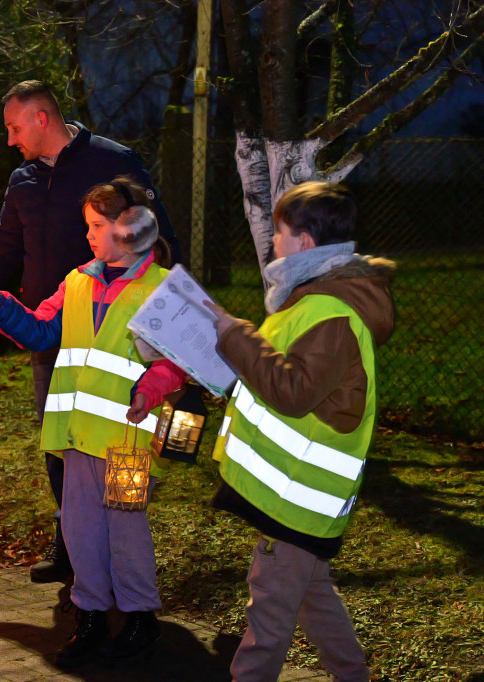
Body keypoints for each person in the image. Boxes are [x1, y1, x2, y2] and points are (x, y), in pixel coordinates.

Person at [0, 80, 180, 584]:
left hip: (119, 347)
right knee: (63, 445)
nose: (10, 140)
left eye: (14, 127)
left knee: (124, 461)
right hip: (56, 334)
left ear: (41, 118)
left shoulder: (113, 162)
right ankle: (75, 546)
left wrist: (177, 326)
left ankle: (128, 572)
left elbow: (162, 237)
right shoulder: (25, 183)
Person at [0, 178, 188, 668]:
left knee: (126, 528)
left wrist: (151, 389)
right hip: (76, 437)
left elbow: (176, 363)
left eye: (96, 225)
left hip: (128, 441)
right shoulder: (77, 281)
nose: (88, 235)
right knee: (81, 528)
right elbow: (41, 330)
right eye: (87, 225)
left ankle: (138, 617)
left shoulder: (161, 289)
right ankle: (88, 616)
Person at [205, 182, 394, 682]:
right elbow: (271, 376)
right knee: (312, 597)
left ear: (305, 243)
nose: (272, 245)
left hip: (298, 495)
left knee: (268, 609)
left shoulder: (328, 312)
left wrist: (233, 332)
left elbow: (291, 390)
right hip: (298, 494)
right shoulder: (313, 301)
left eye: (279, 234)